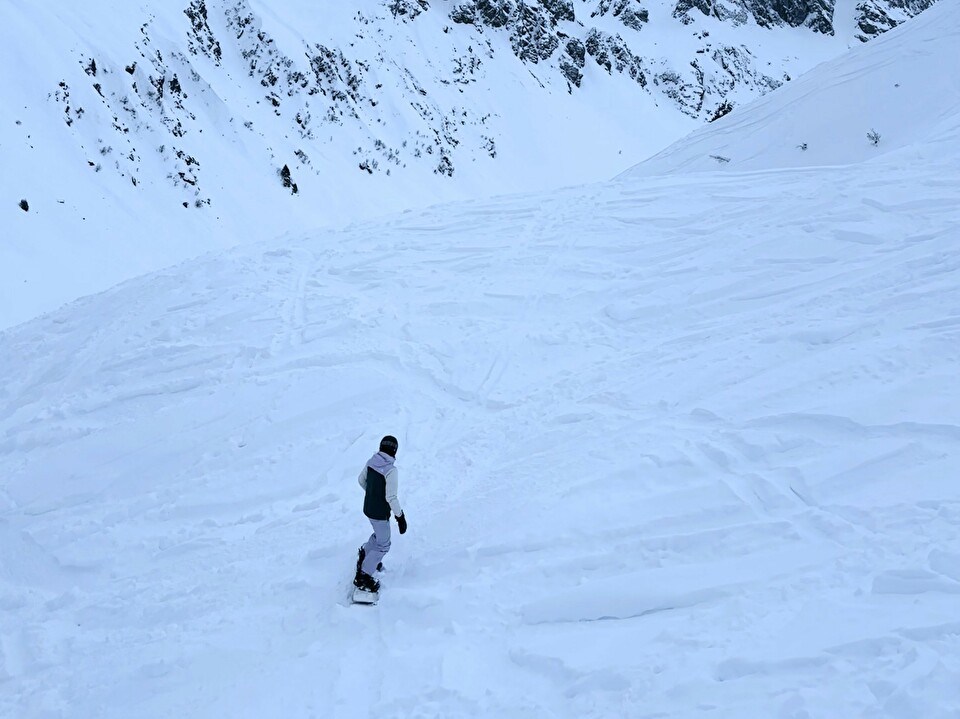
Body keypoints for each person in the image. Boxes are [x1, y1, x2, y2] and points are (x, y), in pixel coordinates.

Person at [355, 435, 407, 592]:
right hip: (379, 513)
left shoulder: (372, 461)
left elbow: (360, 480)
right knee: (384, 544)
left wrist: (372, 495)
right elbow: (391, 497)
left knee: (379, 535)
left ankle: (365, 555)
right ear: (394, 450)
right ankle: (363, 576)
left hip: (368, 508)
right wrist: (400, 517)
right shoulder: (391, 470)